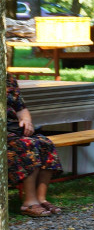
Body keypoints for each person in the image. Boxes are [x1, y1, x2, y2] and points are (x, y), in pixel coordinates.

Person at [6, 75, 62, 217]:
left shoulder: (8, 79)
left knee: (45, 143)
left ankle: (41, 199)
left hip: (12, 129)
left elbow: (21, 108)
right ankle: (29, 203)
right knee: (27, 145)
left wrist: (26, 121)